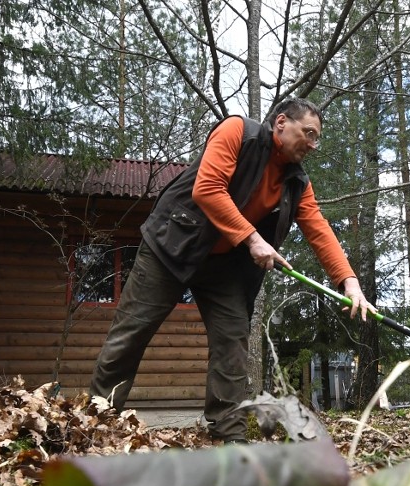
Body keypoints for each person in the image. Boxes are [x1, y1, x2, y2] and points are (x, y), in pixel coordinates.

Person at [89, 97, 374, 442]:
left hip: (224, 265)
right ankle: (98, 417)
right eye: (308, 133)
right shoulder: (237, 132)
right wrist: (253, 240)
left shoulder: (296, 182)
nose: (313, 145)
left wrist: (349, 282)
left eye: (317, 139)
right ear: (281, 122)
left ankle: (229, 434)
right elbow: (207, 189)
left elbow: (318, 228)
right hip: (173, 245)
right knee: (133, 331)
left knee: (232, 345)